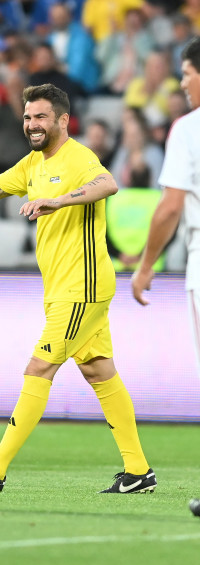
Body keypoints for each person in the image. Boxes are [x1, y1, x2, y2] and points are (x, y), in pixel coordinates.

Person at [0, 83, 155, 494]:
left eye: (40, 116)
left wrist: (59, 201)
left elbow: (107, 184)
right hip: (64, 288)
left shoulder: (79, 157)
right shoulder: (33, 164)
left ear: (62, 120)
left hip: (82, 286)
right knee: (99, 371)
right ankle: (138, 470)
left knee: (39, 367)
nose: (31, 124)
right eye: (26, 117)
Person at [132, 37, 200, 377]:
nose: (183, 82)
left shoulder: (189, 129)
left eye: (188, 73)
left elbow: (171, 206)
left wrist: (145, 266)